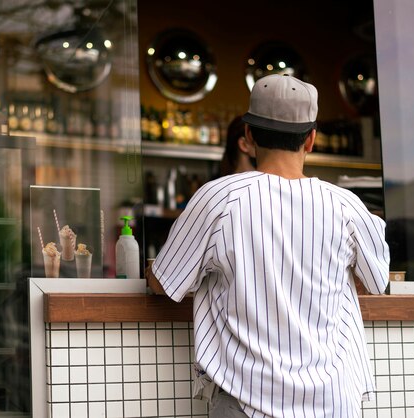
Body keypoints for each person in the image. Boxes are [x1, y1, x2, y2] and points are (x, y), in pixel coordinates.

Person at [146, 74, 390, 417]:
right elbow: (379, 281)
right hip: (333, 401)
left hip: (247, 402)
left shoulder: (219, 198)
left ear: (249, 135)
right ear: (311, 140)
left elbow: (163, 282)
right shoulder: (346, 206)